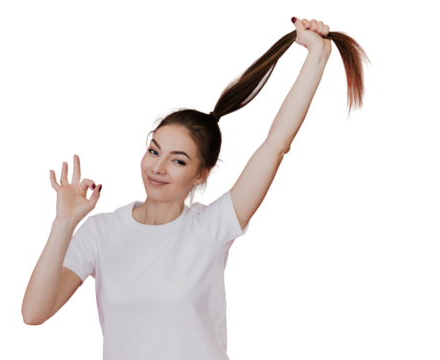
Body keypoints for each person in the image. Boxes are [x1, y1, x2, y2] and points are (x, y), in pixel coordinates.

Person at [21, 14, 372, 359]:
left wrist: (317, 54)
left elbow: (275, 143)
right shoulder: (100, 231)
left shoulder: (212, 225)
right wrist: (64, 222)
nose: (157, 168)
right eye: (153, 151)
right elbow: (34, 315)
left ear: (202, 173)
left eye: (178, 160)